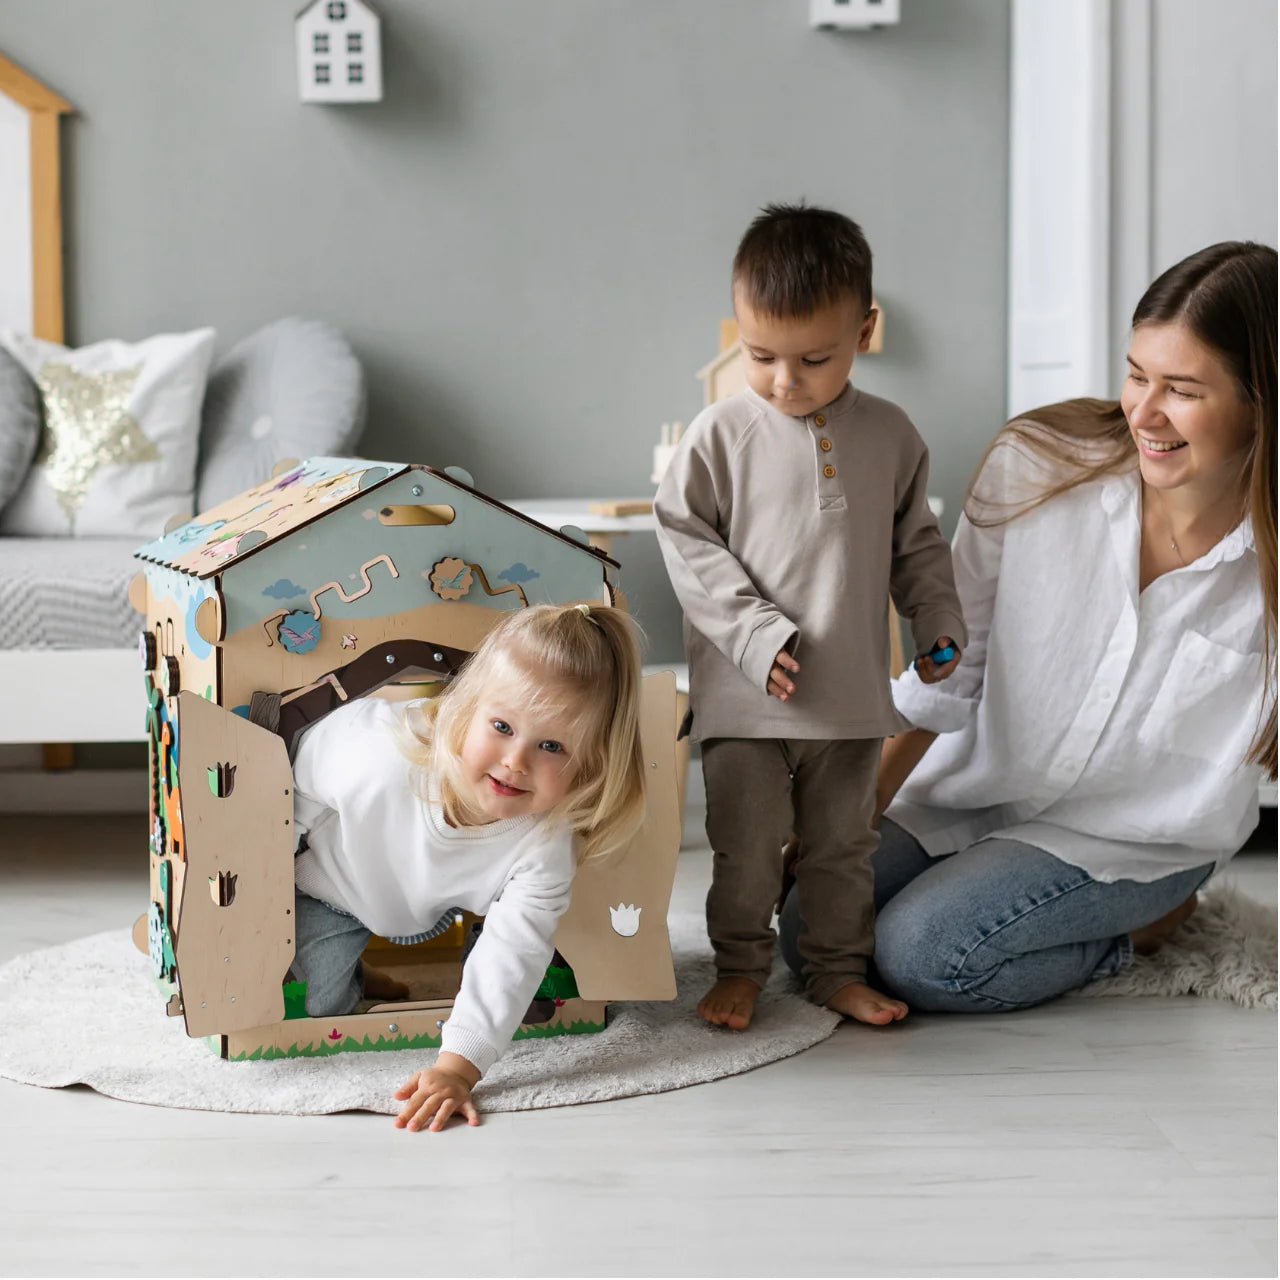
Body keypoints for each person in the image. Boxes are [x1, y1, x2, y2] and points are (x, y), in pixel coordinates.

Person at [779, 240, 1277, 1012]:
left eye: (1182, 390)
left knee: (924, 953)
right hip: (977, 791)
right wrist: (849, 818)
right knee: (811, 929)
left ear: (1260, 404)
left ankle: (1147, 929)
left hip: (1137, 838)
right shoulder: (1038, 465)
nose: (1142, 413)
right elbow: (952, 665)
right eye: (1137, 374)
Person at [654, 202, 968, 1031]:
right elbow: (682, 536)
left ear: (863, 332)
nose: (784, 380)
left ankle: (834, 971)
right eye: (761, 356)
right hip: (747, 702)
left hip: (852, 700)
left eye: (812, 359)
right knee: (747, 852)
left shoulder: (893, 437)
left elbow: (918, 545)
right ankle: (740, 967)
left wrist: (936, 619)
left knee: (843, 851)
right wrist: (754, 634)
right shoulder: (719, 436)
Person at [287, 603, 647, 1130]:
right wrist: (275, 858)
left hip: (441, 908)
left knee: (525, 974)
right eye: (501, 726)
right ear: (463, 710)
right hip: (332, 890)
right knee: (320, 1005)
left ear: (589, 764)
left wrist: (458, 1066)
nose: (515, 761)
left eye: (551, 746)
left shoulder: (546, 839)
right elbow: (291, 781)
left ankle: (395, 970)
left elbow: (515, 945)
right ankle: (359, 975)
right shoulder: (374, 755)